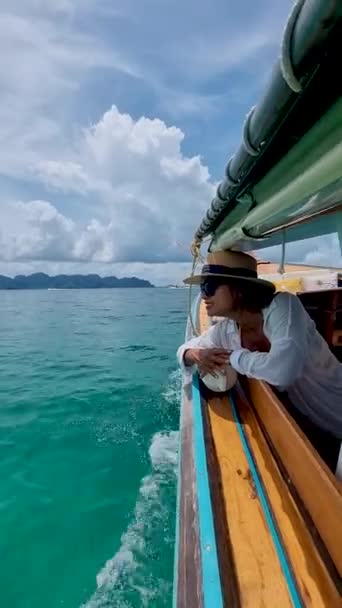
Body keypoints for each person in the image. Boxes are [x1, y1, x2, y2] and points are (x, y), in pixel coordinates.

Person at [177, 249, 342, 475]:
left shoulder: (284, 307)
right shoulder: (227, 330)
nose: (204, 295)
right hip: (313, 426)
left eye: (210, 286)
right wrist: (196, 354)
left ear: (239, 289)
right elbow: (184, 349)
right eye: (202, 287)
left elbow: (283, 371)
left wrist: (233, 357)